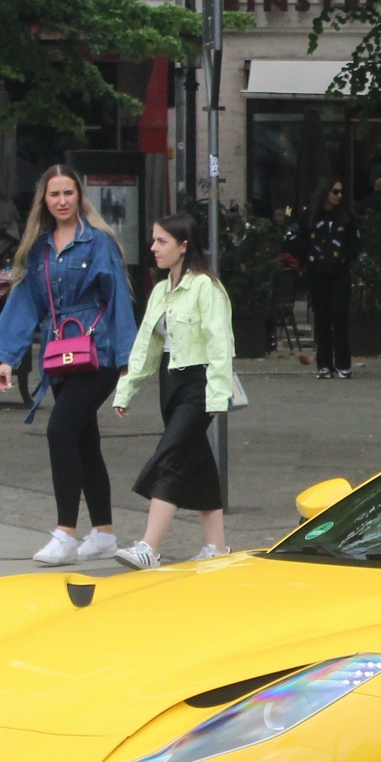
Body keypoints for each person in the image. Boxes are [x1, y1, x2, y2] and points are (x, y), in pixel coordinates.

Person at [0, 166, 136, 565]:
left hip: (96, 351)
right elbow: (25, 302)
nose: (63, 201)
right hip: (58, 354)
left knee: (60, 430)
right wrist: (5, 357)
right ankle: (103, 533)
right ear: (44, 201)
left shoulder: (98, 242)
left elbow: (118, 298)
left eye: (69, 193)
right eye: (55, 194)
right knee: (85, 442)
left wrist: (126, 361)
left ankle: (65, 533)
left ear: (79, 196)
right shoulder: (38, 247)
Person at [111, 215, 241, 569]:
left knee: (170, 456)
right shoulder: (160, 291)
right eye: (153, 240)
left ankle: (149, 547)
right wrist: (126, 390)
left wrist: (217, 397)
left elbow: (219, 345)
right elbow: (144, 347)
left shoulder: (206, 288)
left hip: (198, 385)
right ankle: (217, 546)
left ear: (184, 246)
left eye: (162, 242)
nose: (153, 248)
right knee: (196, 462)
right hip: (171, 384)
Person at [289, 178, 357, 379]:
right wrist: (308, 256)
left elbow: (355, 242)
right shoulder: (309, 217)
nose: (339, 196)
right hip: (316, 274)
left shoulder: (345, 217)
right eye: (335, 192)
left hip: (339, 274)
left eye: (340, 192)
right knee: (322, 319)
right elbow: (294, 239)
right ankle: (324, 364)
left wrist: (345, 257)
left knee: (340, 317)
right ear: (325, 193)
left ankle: (343, 363)